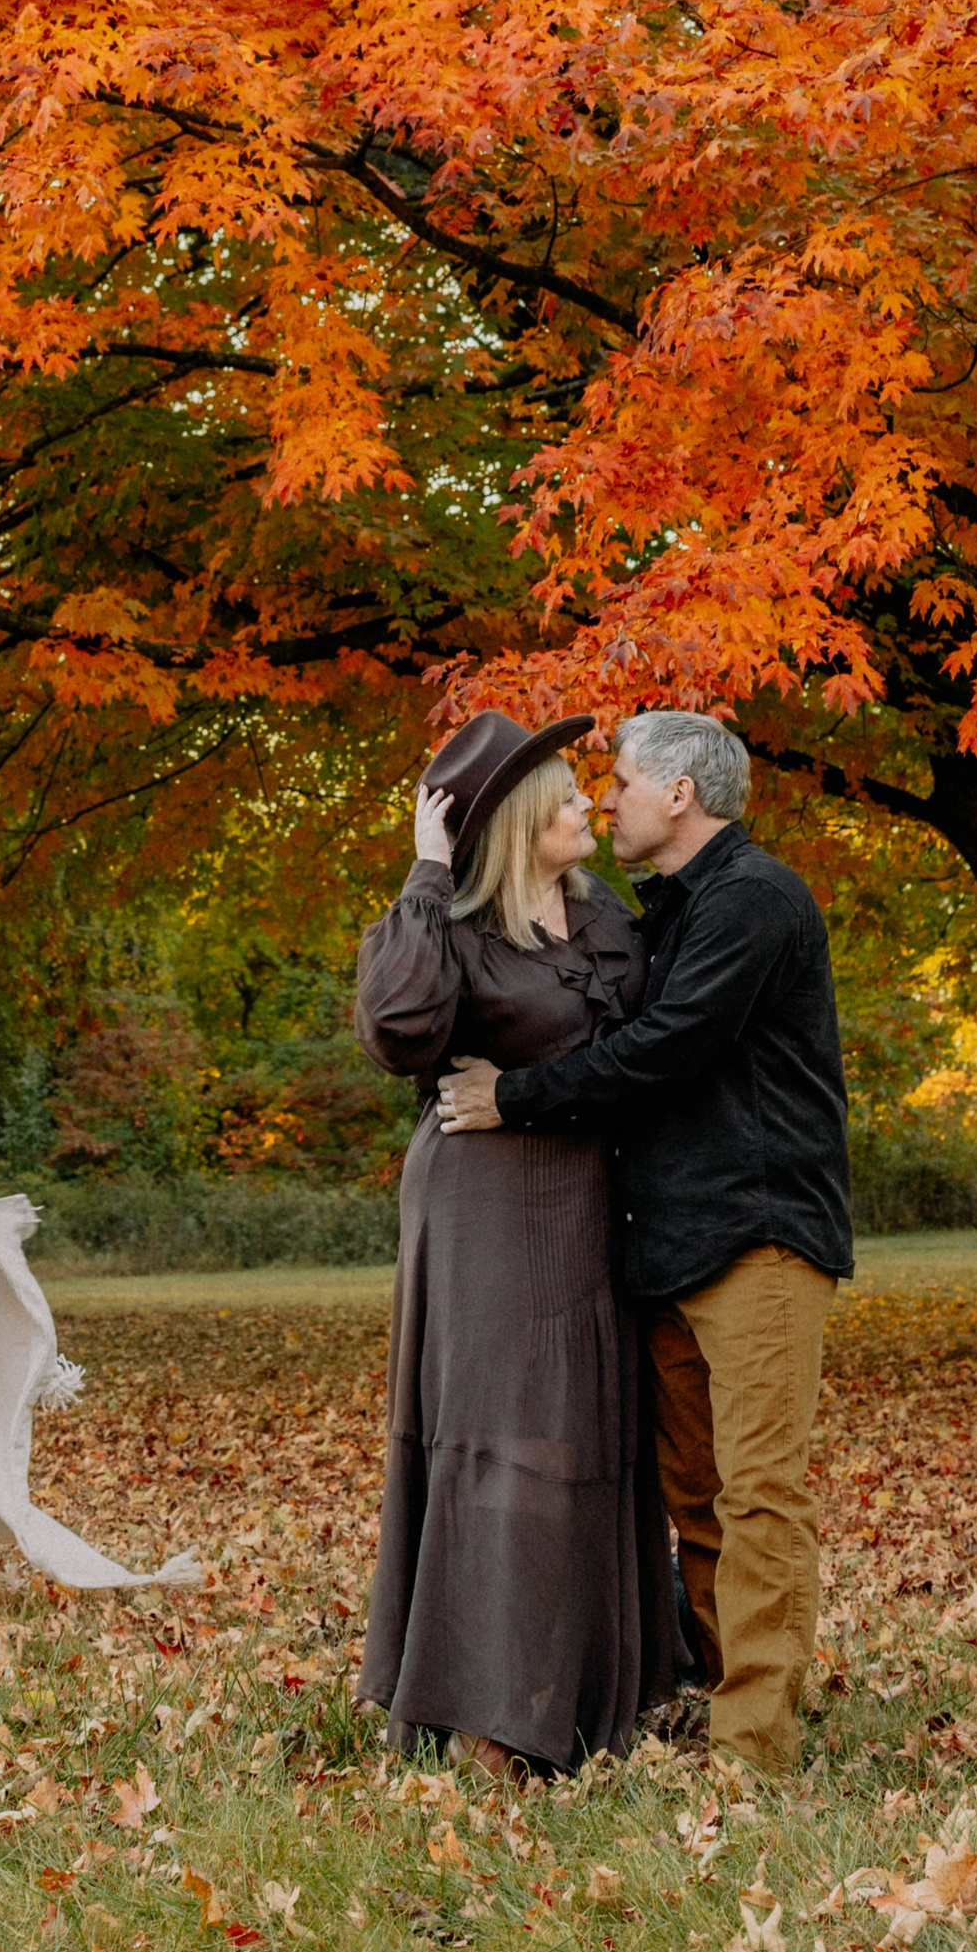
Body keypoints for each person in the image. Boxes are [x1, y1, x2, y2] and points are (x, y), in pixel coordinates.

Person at [437, 709, 851, 1780]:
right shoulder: (659, 912)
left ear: (681, 793)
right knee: (698, 1499)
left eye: (618, 780)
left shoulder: (754, 900)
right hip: (669, 1241)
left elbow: (664, 1050)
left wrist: (513, 1095)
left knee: (760, 1492)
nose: (604, 797)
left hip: (758, 1231)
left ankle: (757, 1746)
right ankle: (721, 1691)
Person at [353, 709, 663, 1781]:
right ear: (522, 818)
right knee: (504, 1437)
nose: (591, 804)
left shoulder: (604, 921)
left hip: (592, 1203)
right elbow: (398, 1029)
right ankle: (488, 1703)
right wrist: (428, 871)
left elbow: (654, 1051)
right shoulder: (450, 928)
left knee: (588, 1431)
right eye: (571, 793)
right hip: (484, 1208)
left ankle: (585, 1694)